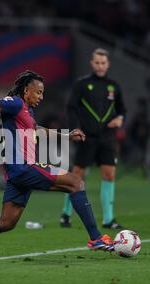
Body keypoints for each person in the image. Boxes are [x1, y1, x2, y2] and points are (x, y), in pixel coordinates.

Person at [0, 70, 114, 257]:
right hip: (23, 167)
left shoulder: (27, 111)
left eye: (42, 93)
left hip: (18, 173)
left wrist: (66, 136)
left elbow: (37, 130)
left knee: (6, 222)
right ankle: (95, 238)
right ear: (25, 91)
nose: (41, 96)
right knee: (76, 183)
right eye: (38, 92)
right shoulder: (15, 103)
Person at [60, 48, 126, 229]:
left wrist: (120, 119)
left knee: (109, 174)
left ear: (108, 64)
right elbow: (71, 107)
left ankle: (108, 219)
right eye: (97, 62)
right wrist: (76, 129)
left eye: (103, 63)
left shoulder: (114, 86)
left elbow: (122, 110)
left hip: (107, 137)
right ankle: (66, 214)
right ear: (92, 63)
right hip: (87, 138)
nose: (100, 66)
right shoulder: (82, 84)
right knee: (77, 175)